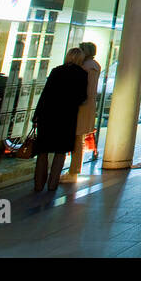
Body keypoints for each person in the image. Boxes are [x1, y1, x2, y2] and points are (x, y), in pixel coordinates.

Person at [33, 48, 87, 192]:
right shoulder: (81, 74)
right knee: (60, 152)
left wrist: (37, 114)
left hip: (48, 115)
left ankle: (38, 184)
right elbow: (82, 97)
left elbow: (46, 93)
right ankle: (52, 184)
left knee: (43, 152)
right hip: (66, 117)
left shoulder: (56, 71)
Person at [65, 41, 101, 179]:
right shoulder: (94, 66)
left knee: (77, 138)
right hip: (87, 105)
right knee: (78, 138)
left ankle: (73, 171)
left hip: (81, 106)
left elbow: (83, 89)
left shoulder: (86, 68)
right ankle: (73, 170)